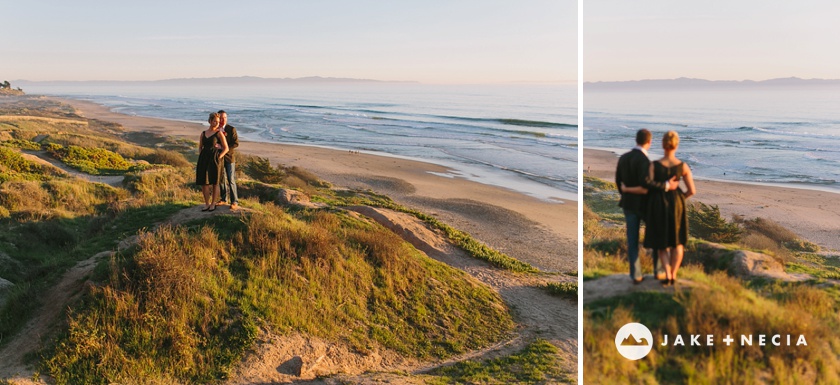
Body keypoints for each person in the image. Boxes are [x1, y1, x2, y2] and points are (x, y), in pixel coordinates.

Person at [615, 129, 677, 284]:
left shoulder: (623, 158)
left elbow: (618, 181)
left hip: (628, 204)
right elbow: (647, 185)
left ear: (636, 140)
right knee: (656, 238)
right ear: (649, 142)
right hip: (645, 206)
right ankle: (659, 271)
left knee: (632, 240)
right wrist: (666, 185)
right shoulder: (645, 161)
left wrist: (626, 195)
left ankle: (635, 275)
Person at [637, 131, 696, 286]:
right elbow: (692, 190)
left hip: (658, 204)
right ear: (676, 145)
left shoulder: (654, 165)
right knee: (677, 242)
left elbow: (647, 184)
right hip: (677, 204)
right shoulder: (683, 166)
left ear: (663, 145)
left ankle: (668, 273)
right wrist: (679, 199)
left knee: (662, 243)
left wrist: (663, 188)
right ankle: (674, 275)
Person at [196, 112, 229, 211]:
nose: (216, 123)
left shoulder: (219, 133)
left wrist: (219, 157)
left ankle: (213, 203)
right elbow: (200, 147)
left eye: (218, 122)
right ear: (210, 121)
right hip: (204, 160)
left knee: (215, 182)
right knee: (204, 183)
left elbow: (226, 148)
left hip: (215, 160)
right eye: (215, 121)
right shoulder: (203, 133)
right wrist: (202, 156)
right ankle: (206, 203)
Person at [215, 110, 239, 209]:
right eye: (221, 118)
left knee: (231, 179)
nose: (223, 120)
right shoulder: (215, 129)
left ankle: (234, 201)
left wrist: (224, 147)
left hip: (229, 158)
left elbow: (236, 143)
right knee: (221, 179)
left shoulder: (231, 129)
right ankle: (223, 199)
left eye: (225, 118)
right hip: (219, 158)